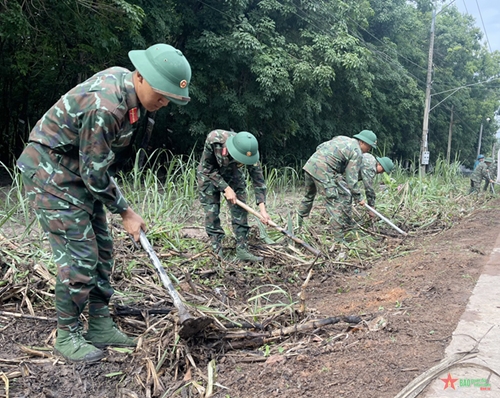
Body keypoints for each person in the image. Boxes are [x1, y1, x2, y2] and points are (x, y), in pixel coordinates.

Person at [16, 43, 192, 363]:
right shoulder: (107, 105)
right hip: (50, 171)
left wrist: (115, 204)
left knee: (103, 248)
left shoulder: (132, 97)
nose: (164, 103)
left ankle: (99, 323)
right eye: (161, 94)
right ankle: (68, 333)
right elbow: (94, 171)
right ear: (140, 76)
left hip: (78, 173)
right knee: (80, 255)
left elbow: (97, 164)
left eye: (170, 99)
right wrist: (125, 210)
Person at [197, 130, 270, 262]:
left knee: (240, 211)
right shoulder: (215, 140)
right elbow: (207, 168)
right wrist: (225, 188)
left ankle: (242, 249)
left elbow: (258, 181)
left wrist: (262, 210)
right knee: (211, 212)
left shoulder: (251, 153)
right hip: (209, 175)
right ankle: (217, 250)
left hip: (233, 175)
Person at [297, 130, 377, 241]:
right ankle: (339, 240)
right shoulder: (356, 152)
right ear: (363, 142)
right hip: (323, 172)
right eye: (369, 147)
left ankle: (296, 227)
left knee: (308, 197)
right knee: (333, 203)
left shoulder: (342, 138)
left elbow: (321, 146)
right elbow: (351, 178)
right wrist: (358, 197)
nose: (369, 150)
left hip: (310, 165)